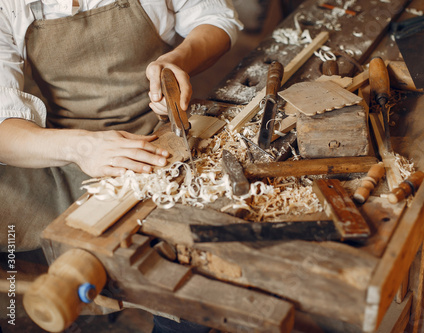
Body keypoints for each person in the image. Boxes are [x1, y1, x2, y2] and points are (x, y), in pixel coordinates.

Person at [0, 0, 242, 331]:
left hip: (158, 136)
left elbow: (215, 18)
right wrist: (82, 147)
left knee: (199, 253)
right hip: (65, 147)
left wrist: (176, 61)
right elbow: (3, 131)